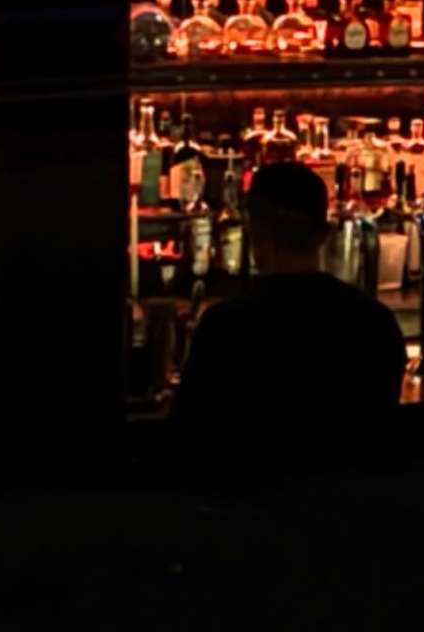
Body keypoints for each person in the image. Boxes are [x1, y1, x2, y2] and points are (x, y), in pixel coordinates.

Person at [169, 160, 408, 475]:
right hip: (349, 498)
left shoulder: (226, 327)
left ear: (255, 233)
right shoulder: (374, 323)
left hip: (253, 498)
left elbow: (189, 434)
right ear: (324, 234)